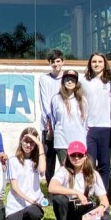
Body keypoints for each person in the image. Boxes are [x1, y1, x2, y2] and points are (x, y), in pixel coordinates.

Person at [48, 141, 111, 220]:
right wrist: (76, 192)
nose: (76, 158)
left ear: (85, 156)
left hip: (85, 210)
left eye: (80, 155)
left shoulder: (93, 174)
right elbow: (51, 187)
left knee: (106, 219)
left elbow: (104, 200)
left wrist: (101, 207)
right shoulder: (63, 171)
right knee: (59, 198)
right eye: (73, 155)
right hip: (68, 210)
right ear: (68, 156)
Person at [4, 128, 46, 220]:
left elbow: (42, 170)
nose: (28, 145)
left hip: (32, 206)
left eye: (32, 142)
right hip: (16, 206)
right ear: (21, 141)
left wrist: (39, 145)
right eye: (26, 141)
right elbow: (14, 187)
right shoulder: (13, 161)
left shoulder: (37, 161)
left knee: (34, 212)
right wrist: (29, 200)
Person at [80, 52, 111, 191]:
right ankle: (89, 193)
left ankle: (103, 196)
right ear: (90, 64)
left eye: (100, 62)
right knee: (89, 164)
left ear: (104, 63)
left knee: (104, 164)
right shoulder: (84, 81)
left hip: (106, 128)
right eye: (94, 61)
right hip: (90, 128)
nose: (97, 64)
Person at [48, 69, 87, 168]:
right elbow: (54, 120)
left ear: (76, 82)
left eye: (73, 80)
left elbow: (85, 121)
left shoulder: (82, 100)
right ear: (63, 81)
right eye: (67, 79)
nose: (70, 82)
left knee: (78, 171)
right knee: (65, 170)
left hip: (79, 141)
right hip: (62, 142)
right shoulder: (56, 99)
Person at [39, 49, 64, 183]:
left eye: (58, 61)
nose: (55, 64)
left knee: (64, 159)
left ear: (62, 62)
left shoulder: (67, 78)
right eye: (53, 62)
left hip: (63, 127)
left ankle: (65, 186)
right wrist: (49, 122)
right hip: (48, 126)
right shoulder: (44, 79)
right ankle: (50, 188)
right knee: (49, 159)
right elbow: (44, 101)